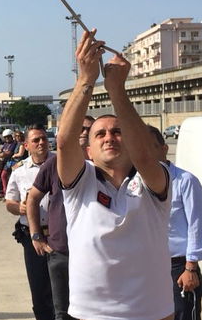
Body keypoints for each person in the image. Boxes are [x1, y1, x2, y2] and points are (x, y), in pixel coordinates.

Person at [57, 29, 173, 320]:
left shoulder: (154, 180)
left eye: (118, 131)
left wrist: (117, 91)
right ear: (89, 151)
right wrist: (85, 79)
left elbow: (145, 155)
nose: (109, 137)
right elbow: (64, 141)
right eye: (100, 134)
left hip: (151, 312)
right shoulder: (80, 181)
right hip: (91, 314)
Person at [27, 115, 94, 320]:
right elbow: (32, 198)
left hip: (95, 255)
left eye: (88, 129)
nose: (83, 132)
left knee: (95, 312)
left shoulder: (103, 165)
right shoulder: (53, 164)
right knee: (62, 313)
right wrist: (36, 235)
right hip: (61, 253)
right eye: (79, 127)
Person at [146, 125, 202, 320]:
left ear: (164, 149)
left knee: (182, 314)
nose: (145, 153)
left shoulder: (185, 181)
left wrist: (191, 267)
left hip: (178, 267)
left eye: (151, 147)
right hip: (148, 265)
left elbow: (197, 226)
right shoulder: (135, 183)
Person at [5, 124, 54, 320]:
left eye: (43, 138)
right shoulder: (19, 172)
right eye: (36, 140)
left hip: (60, 234)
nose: (41, 142)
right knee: (39, 286)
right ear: (26, 145)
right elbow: (9, 203)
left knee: (63, 286)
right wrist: (21, 208)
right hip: (32, 237)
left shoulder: (61, 164)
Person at [0, 129, 18, 196]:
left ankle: (6, 193)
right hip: (6, 162)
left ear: (11, 136)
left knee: (3, 176)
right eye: (5, 137)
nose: (7, 138)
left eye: (8, 137)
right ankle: (2, 190)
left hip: (11, 162)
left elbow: (7, 153)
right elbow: (1, 150)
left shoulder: (13, 144)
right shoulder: (6, 144)